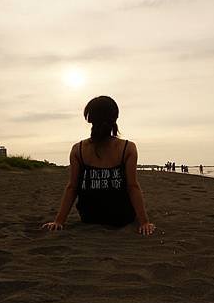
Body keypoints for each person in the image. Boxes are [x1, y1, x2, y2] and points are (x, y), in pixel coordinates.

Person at [41, 96, 155, 236]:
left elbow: (72, 187)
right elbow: (132, 186)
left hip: (89, 217)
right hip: (122, 217)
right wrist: (144, 222)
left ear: (89, 119)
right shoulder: (128, 148)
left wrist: (59, 221)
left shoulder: (78, 149)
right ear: (116, 117)